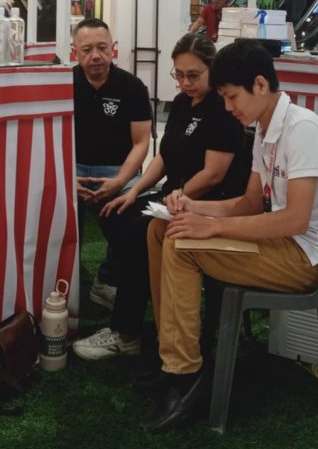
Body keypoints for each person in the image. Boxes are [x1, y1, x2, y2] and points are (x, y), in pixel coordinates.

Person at [142, 39, 318, 432]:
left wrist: (213, 225)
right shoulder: (265, 129)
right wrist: (191, 205)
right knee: (162, 227)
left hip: (304, 258)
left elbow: (296, 220)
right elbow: (251, 204)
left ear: (259, 84)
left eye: (231, 96)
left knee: (181, 245)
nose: (228, 107)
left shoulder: (300, 128)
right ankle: (173, 352)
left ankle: (183, 373)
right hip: (281, 244)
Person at [74, 34, 248, 360]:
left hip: (205, 204)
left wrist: (179, 194)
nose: (185, 82)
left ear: (213, 70)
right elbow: (164, 156)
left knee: (136, 234)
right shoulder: (182, 103)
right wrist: (133, 190)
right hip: (170, 197)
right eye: (179, 75)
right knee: (114, 212)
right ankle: (138, 295)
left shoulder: (222, 107)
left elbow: (214, 173)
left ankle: (127, 330)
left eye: (193, 75)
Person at [73, 19, 153, 309]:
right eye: (87, 49)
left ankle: (107, 280)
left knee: (135, 215)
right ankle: (61, 282)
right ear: (75, 52)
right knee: (49, 209)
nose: (96, 55)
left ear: (113, 49)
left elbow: (142, 143)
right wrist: (66, 176)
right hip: (74, 170)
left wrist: (120, 181)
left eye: (102, 48)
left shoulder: (132, 87)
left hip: (119, 171)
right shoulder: (63, 85)